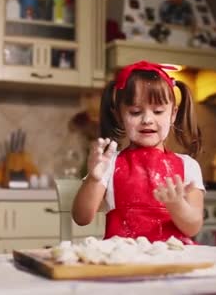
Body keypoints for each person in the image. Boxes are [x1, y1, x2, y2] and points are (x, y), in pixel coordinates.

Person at [72, 60, 204, 244]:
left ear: (173, 115)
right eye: (135, 112)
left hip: (173, 259)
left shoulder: (188, 166)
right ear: (119, 116)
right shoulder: (109, 163)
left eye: (158, 111)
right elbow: (81, 218)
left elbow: (193, 226)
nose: (147, 119)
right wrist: (94, 179)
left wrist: (177, 205)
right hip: (122, 259)